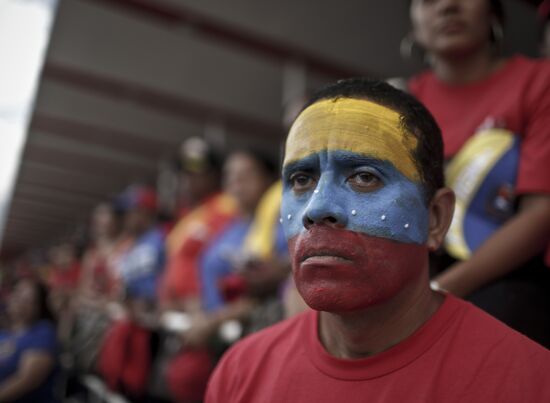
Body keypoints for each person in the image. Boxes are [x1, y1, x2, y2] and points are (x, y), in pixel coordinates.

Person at [206, 78, 550, 403]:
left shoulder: (527, 381)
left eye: (364, 177)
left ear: (435, 218)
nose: (317, 208)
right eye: (300, 179)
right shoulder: (239, 374)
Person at [407, 0, 550, 346]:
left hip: (511, 280)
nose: (447, 6)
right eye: (428, 0)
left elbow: (541, 213)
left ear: (494, 12)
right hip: (416, 276)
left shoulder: (538, 81)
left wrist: (438, 291)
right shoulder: (402, 101)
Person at [0, 278, 59, 403]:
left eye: (27, 299)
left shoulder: (43, 332)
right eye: (17, 294)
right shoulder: (4, 333)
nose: (19, 302)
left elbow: (27, 380)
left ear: (38, 307)